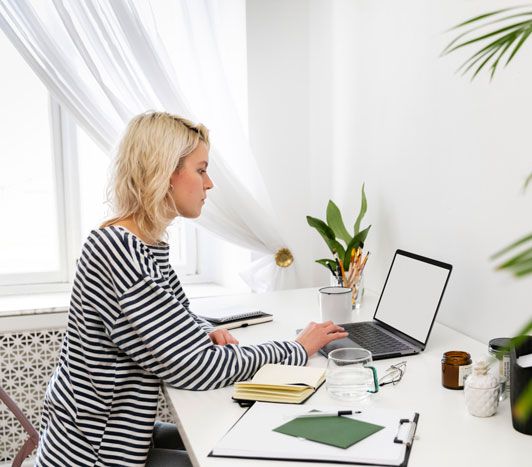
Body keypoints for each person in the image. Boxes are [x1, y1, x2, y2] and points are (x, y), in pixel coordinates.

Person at [35, 111, 348, 467]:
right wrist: (295, 349)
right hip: (94, 453)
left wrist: (205, 329)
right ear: (165, 172)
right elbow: (195, 367)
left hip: (113, 433)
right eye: (201, 170)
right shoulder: (119, 251)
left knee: (235, 439)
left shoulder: (142, 242)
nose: (209, 183)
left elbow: (173, 315)